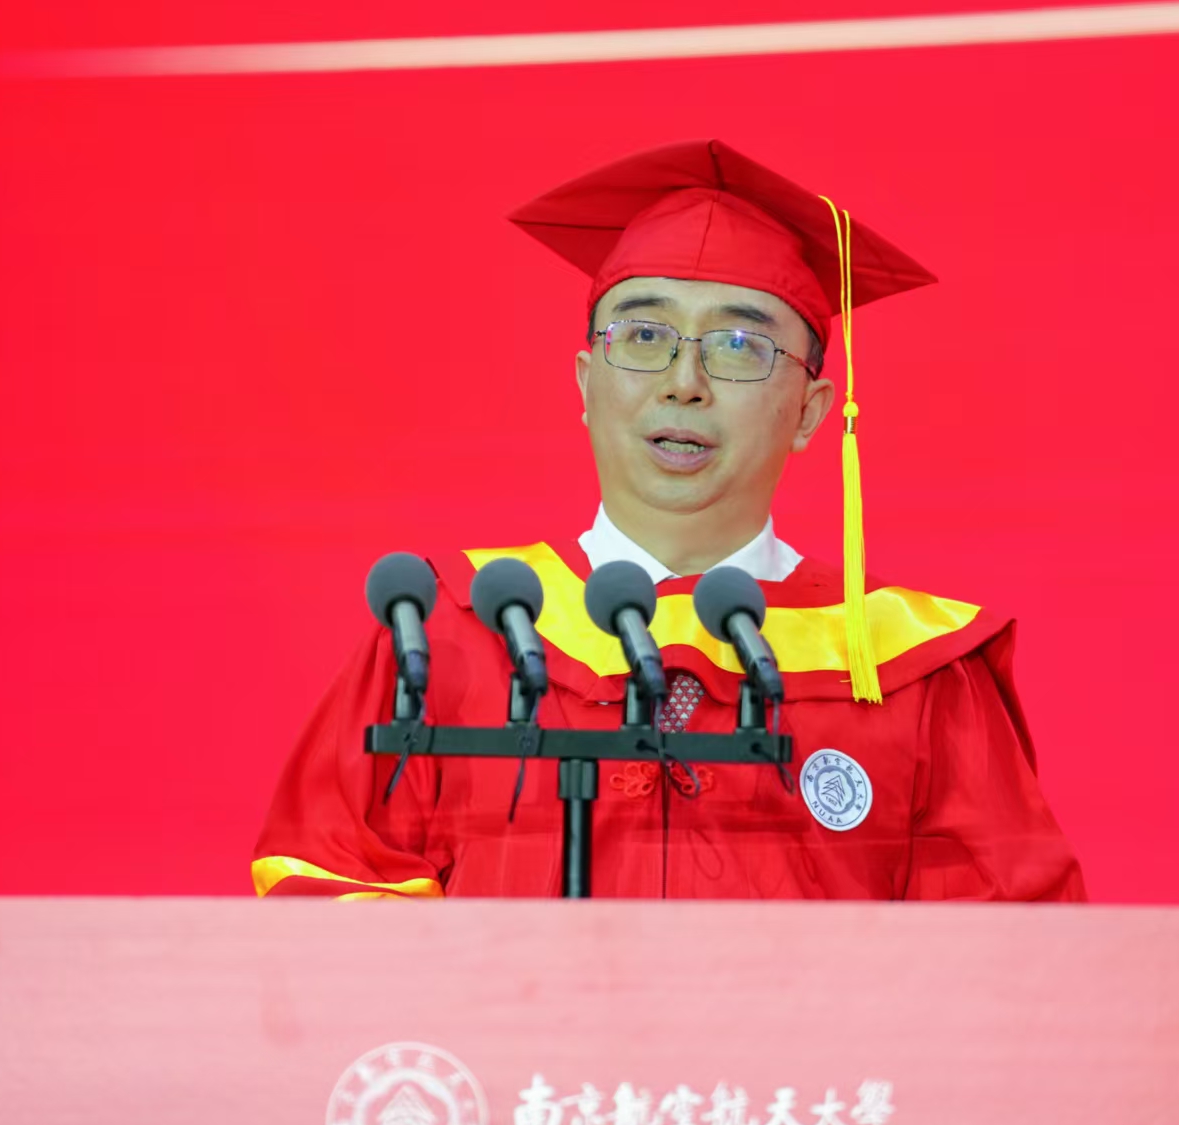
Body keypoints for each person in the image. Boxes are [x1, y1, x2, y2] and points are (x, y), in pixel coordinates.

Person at [253, 139, 1085, 902]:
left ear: (810, 410)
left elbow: (1004, 960)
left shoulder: (913, 672)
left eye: (739, 346)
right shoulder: (446, 636)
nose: (685, 382)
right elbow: (330, 900)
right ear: (586, 383)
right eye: (645, 336)